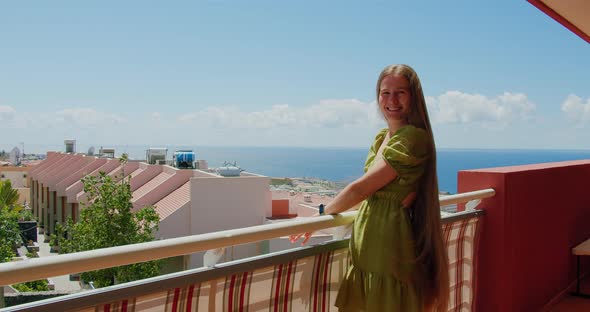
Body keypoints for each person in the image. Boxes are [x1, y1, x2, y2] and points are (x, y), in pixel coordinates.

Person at [290, 64, 449, 311]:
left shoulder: (412, 137)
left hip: (390, 242)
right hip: (370, 242)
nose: (392, 100)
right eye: (385, 92)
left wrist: (319, 215)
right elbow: (372, 192)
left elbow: (360, 189)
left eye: (401, 92)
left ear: (414, 97)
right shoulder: (382, 138)